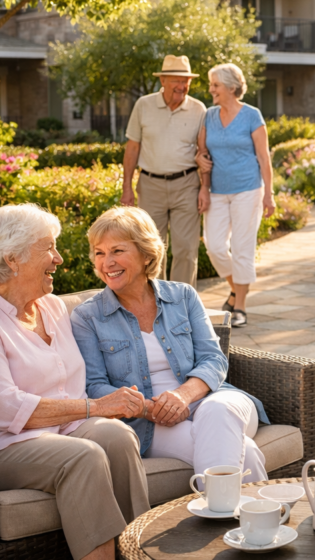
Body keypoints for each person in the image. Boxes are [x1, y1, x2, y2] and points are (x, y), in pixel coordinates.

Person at [0, 204, 149, 560]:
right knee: (83, 457)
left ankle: (138, 551)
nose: (59, 258)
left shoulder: (51, 307)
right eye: (49, 248)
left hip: (60, 430)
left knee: (117, 436)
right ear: (12, 259)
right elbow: (7, 409)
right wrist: (97, 407)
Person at [72, 206, 270, 487]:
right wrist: (147, 409)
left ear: (146, 253)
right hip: (150, 420)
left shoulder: (183, 296)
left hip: (211, 399)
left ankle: (218, 518)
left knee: (218, 412)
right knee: (245, 451)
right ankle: (258, 520)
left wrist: (181, 396)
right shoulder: (88, 316)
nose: (107, 262)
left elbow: (214, 359)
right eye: (99, 252)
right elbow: (95, 386)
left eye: (117, 251)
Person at [195, 63, 275, 328]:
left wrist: (269, 194)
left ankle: (239, 306)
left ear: (231, 87)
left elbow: (263, 157)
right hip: (217, 190)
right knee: (214, 246)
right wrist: (203, 186)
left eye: (215, 85)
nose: (211, 90)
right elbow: (203, 154)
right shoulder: (209, 115)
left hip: (248, 189)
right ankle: (237, 288)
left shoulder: (252, 115)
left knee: (242, 248)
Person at [122, 54, 206, 287]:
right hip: (151, 185)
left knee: (187, 249)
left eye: (186, 81)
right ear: (163, 81)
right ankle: (155, 305)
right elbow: (132, 148)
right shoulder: (144, 105)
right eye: (176, 81)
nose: (181, 86)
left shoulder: (198, 109)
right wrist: (127, 187)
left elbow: (204, 151)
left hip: (186, 184)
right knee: (150, 250)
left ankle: (182, 304)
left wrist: (205, 188)